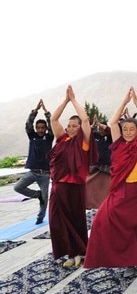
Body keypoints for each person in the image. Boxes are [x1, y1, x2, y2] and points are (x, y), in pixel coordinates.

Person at [84, 88, 137, 276]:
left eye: (132, 129)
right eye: (125, 129)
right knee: (101, 220)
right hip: (120, 193)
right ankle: (108, 256)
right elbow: (112, 122)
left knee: (134, 229)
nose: (129, 132)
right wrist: (124, 101)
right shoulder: (119, 145)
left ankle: (132, 263)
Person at [48, 85, 96, 268]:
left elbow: (84, 119)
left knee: (75, 220)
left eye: (74, 126)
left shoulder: (83, 142)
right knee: (56, 221)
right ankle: (69, 251)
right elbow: (53, 118)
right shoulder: (62, 140)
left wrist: (74, 100)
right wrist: (65, 101)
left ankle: (77, 252)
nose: (71, 128)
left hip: (74, 187)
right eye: (69, 125)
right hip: (58, 187)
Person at [14, 99, 54, 224]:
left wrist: (47, 114)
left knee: (45, 197)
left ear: (46, 128)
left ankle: (40, 217)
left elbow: (53, 124)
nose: (41, 130)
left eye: (43, 128)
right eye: (39, 128)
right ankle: (37, 195)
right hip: (33, 172)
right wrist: (35, 111)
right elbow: (28, 124)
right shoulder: (33, 136)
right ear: (36, 128)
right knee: (18, 187)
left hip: (45, 174)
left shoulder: (49, 137)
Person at [85, 116, 113, 209]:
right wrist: (92, 125)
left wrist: (100, 124)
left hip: (107, 166)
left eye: (102, 128)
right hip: (96, 165)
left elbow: (110, 131)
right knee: (89, 184)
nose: (101, 130)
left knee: (106, 188)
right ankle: (89, 203)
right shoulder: (96, 136)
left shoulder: (110, 137)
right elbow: (86, 133)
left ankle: (106, 205)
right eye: (99, 128)